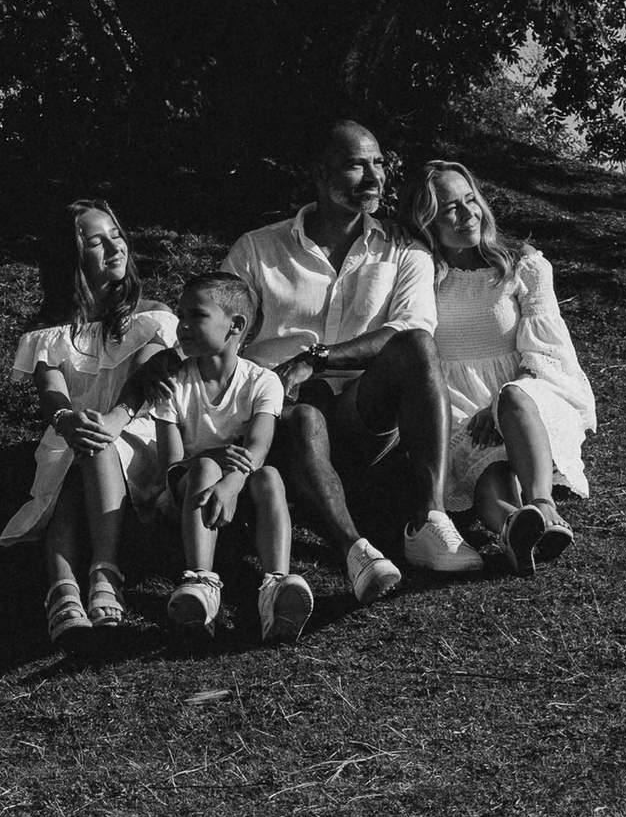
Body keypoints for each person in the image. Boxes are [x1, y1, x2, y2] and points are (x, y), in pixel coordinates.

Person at [223, 119, 479, 603]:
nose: (374, 176)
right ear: (321, 174)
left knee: (418, 346)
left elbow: (411, 326)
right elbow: (221, 332)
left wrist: (316, 359)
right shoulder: (257, 249)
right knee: (303, 416)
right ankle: (356, 552)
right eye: (356, 165)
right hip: (279, 417)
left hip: (362, 415)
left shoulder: (404, 249)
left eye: (379, 163)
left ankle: (429, 522)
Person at [2, 197, 177, 644]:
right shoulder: (49, 330)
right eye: (98, 243)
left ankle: (105, 570)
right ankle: (63, 589)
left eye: (117, 236)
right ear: (73, 257)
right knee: (71, 465)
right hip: (71, 432)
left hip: (135, 427)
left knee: (97, 445)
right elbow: (51, 390)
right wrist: (66, 420)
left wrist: (114, 418)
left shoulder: (151, 314)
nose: (116, 248)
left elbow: (144, 378)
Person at [411, 156, 596, 571]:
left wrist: (495, 404)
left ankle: (543, 506)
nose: (468, 214)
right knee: (487, 468)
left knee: (512, 399)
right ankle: (514, 528)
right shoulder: (422, 274)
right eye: (450, 208)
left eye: (470, 200)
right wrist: (476, 412)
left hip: (526, 387)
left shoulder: (520, 264)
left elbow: (546, 351)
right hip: (458, 402)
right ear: (427, 221)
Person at [142, 269, 311, 642]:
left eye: (196, 316)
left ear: (236, 325)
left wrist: (232, 483)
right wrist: (215, 460)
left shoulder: (262, 382)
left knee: (269, 477)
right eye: (180, 316)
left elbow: (259, 448)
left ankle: (275, 586)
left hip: (240, 499)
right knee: (204, 466)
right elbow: (171, 466)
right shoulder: (174, 384)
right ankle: (200, 581)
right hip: (185, 500)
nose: (183, 326)